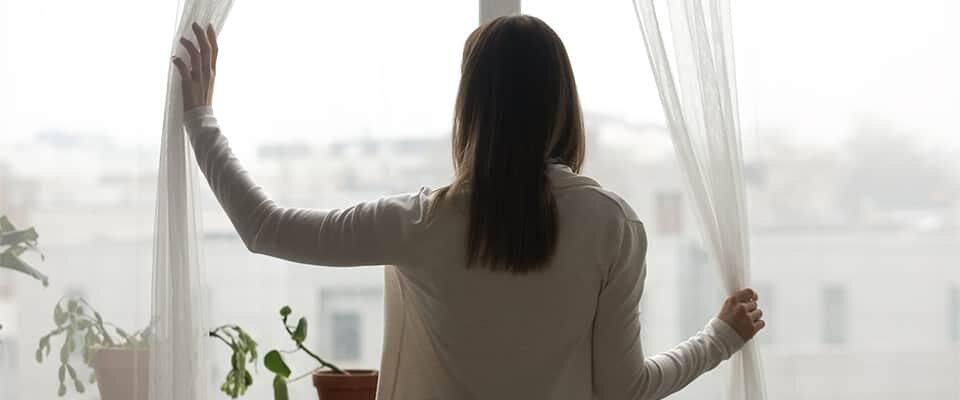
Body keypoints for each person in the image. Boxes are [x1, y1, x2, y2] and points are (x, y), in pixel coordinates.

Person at [173, 15, 764, 400]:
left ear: (470, 108)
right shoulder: (612, 224)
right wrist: (718, 338)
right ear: (563, 103)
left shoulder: (418, 223)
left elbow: (264, 228)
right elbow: (623, 389)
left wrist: (201, 121)